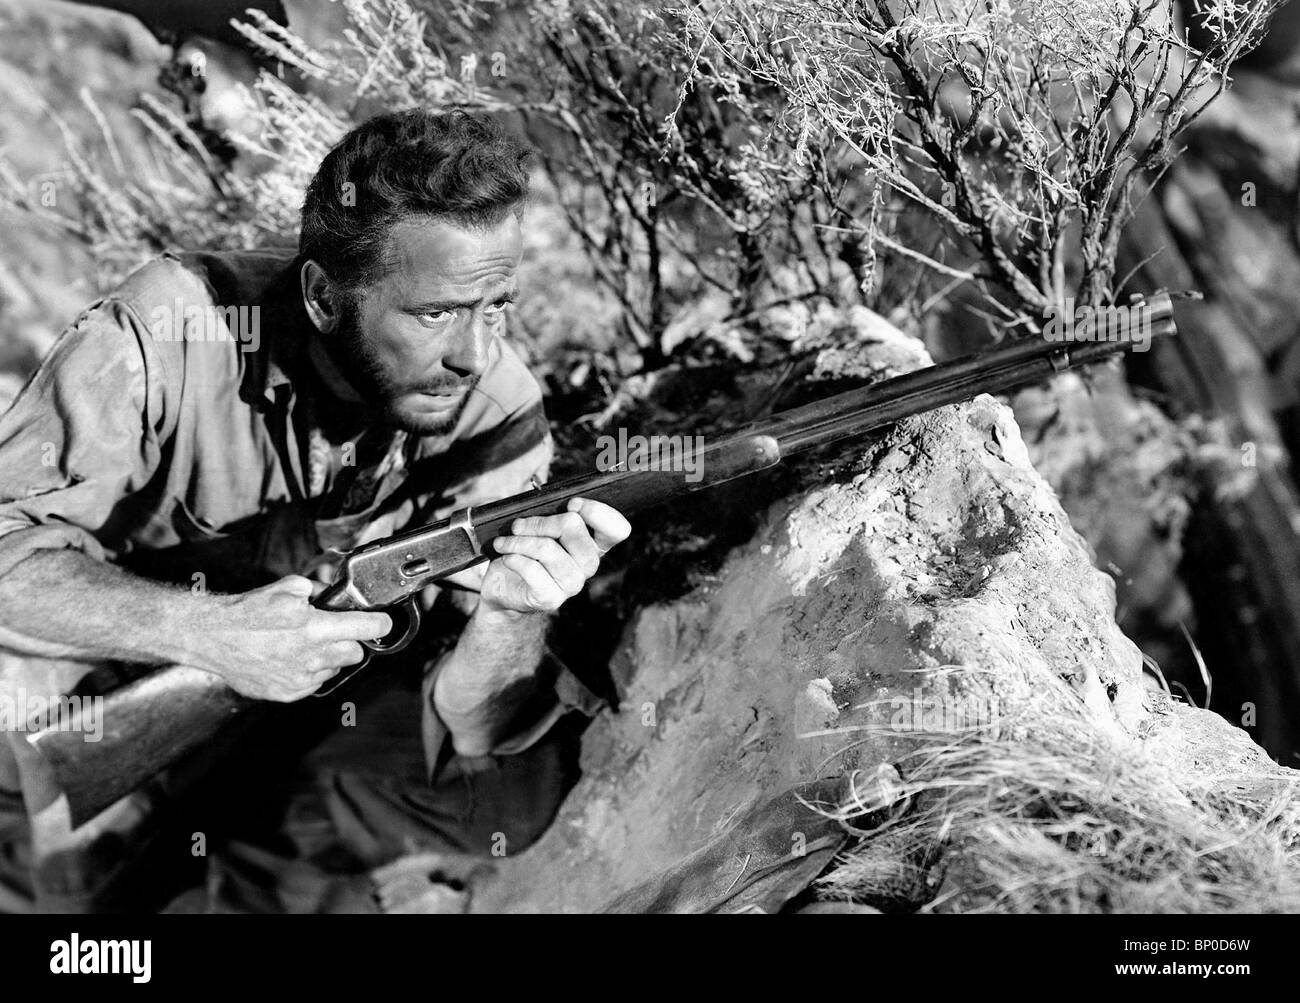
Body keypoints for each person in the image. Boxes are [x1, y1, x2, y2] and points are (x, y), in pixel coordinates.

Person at [0, 108, 630, 912]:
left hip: (310, 719)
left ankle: (255, 873)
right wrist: (208, 634)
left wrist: (509, 619)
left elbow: (469, 726)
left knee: (511, 784)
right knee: (57, 880)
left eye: (497, 305)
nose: (475, 353)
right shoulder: (174, 329)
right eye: (436, 313)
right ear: (325, 296)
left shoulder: (495, 409)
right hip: (95, 679)